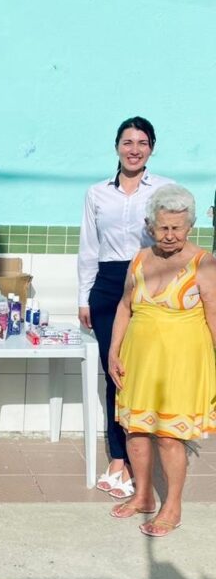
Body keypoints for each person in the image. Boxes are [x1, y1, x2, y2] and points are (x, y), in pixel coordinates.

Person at [108, 185, 216, 536]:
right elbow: (124, 307)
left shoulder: (204, 262)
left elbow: (214, 315)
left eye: (177, 228)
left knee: (170, 437)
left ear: (190, 227)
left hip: (182, 364)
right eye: (163, 227)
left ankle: (172, 506)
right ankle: (142, 496)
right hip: (138, 360)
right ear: (150, 226)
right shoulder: (140, 259)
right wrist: (113, 351)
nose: (170, 235)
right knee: (136, 430)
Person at [78, 117, 172, 500]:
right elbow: (89, 247)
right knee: (114, 370)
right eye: (128, 142)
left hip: (149, 283)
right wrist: (84, 296)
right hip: (107, 284)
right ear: (116, 146)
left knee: (143, 373)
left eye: (142, 143)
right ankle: (119, 457)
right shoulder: (97, 193)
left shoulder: (165, 190)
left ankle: (138, 459)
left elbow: (176, 240)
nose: (135, 149)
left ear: (152, 148)